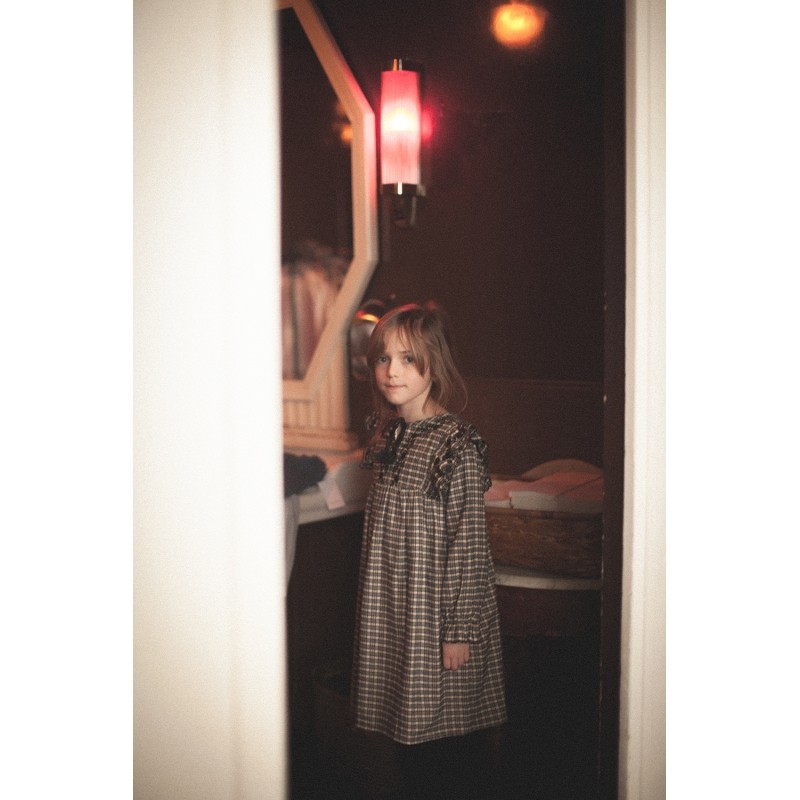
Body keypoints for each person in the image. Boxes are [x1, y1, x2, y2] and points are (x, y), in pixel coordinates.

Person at [350, 303, 507, 800]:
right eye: (383, 359)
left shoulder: (455, 445)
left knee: (445, 743)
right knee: (406, 737)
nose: (391, 371)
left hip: (436, 618)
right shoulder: (390, 436)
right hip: (395, 613)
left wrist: (458, 631)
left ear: (433, 365)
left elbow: (469, 544)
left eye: (407, 359)